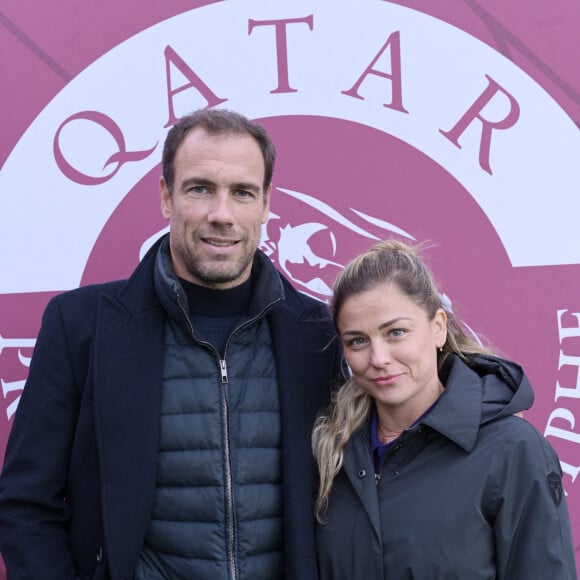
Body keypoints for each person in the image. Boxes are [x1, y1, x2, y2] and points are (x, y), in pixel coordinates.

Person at [0, 108, 345, 580]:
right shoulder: (80, 325)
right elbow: (25, 503)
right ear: (166, 196)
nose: (221, 215)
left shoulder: (317, 332)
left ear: (266, 205)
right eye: (200, 188)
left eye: (242, 193)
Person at [312, 240, 577, 579]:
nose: (378, 359)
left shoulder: (513, 450)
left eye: (396, 332)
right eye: (358, 341)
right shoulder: (333, 452)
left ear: (438, 327)